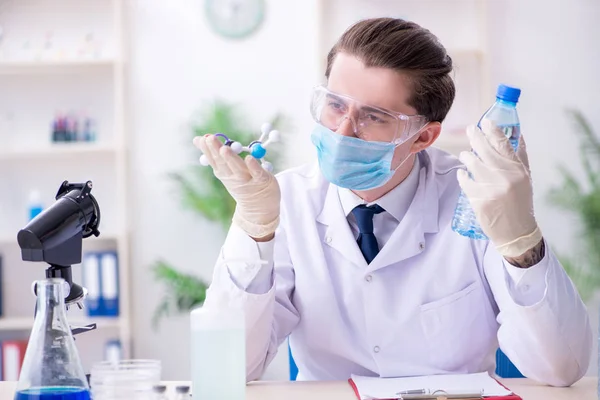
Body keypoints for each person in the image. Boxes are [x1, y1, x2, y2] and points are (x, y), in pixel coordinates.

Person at [193, 17, 592, 386]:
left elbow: (561, 369)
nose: (343, 131)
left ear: (423, 137)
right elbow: (224, 370)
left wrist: (522, 243)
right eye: (335, 105)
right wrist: (253, 229)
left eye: (374, 116)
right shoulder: (285, 201)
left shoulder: (476, 201)